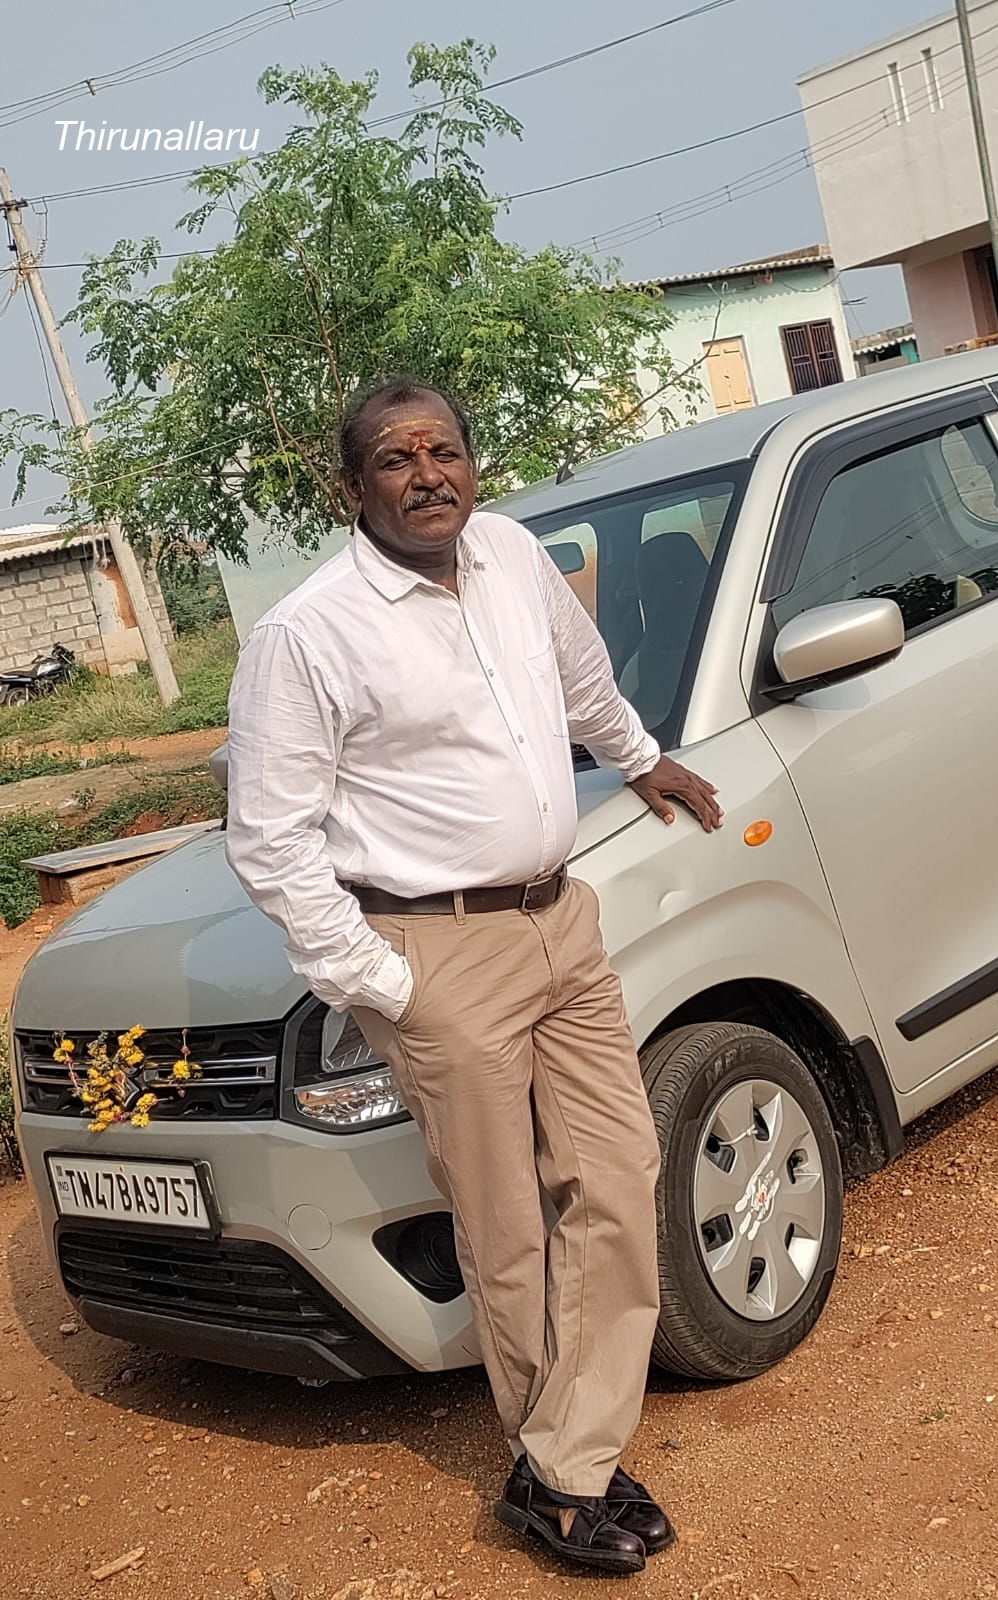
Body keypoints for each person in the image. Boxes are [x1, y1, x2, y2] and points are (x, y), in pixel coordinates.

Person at [224, 374, 723, 1576]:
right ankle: (567, 1470)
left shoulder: (508, 554)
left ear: (472, 461)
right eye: (395, 460)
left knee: (617, 1176)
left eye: (442, 450)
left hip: (560, 922)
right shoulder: (308, 633)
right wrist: (383, 981)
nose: (426, 475)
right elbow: (270, 841)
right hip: (436, 951)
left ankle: (564, 1459)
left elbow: (580, 677)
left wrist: (640, 757)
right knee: (506, 1230)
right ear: (351, 487)